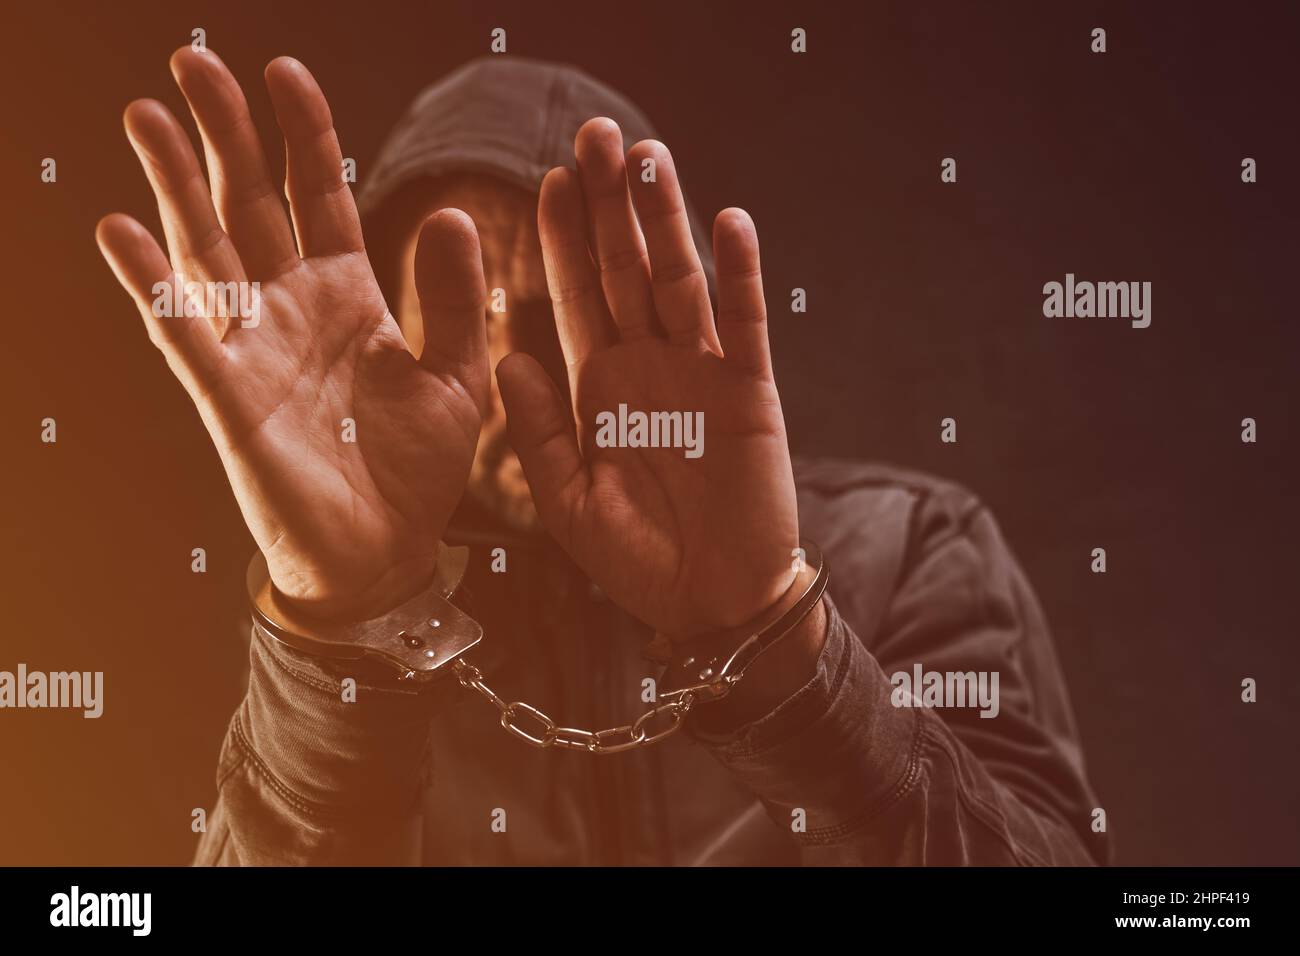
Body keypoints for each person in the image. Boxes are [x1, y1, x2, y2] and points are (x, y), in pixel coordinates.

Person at [95, 48, 1108, 865]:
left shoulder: (912, 546)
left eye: (549, 314)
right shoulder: (363, 607)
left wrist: (772, 632)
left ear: (673, 315)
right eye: (455, 310)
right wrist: (339, 637)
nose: (502, 373)